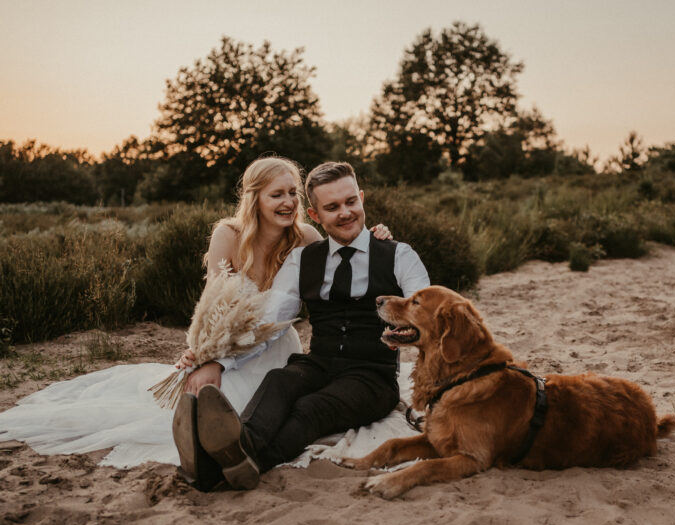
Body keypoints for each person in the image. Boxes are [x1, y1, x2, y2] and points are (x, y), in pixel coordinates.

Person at [0, 156, 392, 472]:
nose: (287, 202)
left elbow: (342, 263)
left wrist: (375, 241)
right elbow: (213, 305)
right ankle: (223, 446)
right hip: (230, 341)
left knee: (270, 395)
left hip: (274, 343)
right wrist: (203, 352)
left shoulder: (306, 239)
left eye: (292, 192)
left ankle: (235, 452)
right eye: (276, 194)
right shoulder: (229, 235)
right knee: (197, 394)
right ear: (255, 198)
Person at [174, 161, 430, 491]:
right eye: (332, 207)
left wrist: (408, 332)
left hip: (371, 376)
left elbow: (427, 314)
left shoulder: (399, 256)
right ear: (314, 215)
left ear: (362, 198)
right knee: (280, 380)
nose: (346, 213)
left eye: (351, 202)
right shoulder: (302, 259)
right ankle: (237, 451)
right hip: (320, 363)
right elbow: (271, 323)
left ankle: (221, 468)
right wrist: (219, 361)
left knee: (309, 408)